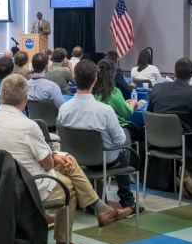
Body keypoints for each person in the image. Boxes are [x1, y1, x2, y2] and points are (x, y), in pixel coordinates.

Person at [0, 74, 130, 244]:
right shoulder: (28, 127)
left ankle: (102, 210)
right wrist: (53, 157)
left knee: (70, 161)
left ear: (0, 97)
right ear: (25, 99)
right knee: (69, 186)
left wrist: (53, 157)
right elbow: (47, 164)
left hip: (0, 182)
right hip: (28, 185)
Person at [60, 60, 140, 211]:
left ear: (74, 79)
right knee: (125, 150)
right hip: (104, 159)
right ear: (95, 79)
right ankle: (127, 200)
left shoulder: (64, 109)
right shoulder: (105, 111)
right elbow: (120, 140)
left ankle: (93, 199)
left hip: (76, 159)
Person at [146, 57, 192, 199]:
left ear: (174, 72)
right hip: (183, 145)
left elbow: (149, 113)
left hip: (155, 142)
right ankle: (188, 171)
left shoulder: (157, 88)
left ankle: (186, 173)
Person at [93, 59, 142, 129]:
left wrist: (124, 103)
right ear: (112, 75)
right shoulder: (113, 92)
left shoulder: (91, 92)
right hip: (117, 128)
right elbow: (127, 113)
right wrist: (134, 102)